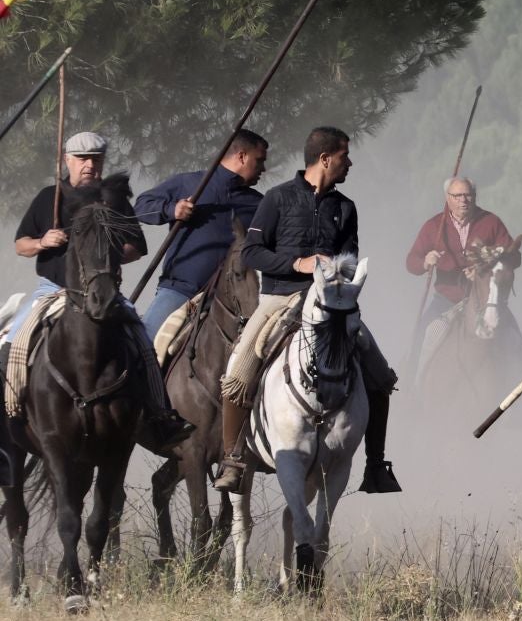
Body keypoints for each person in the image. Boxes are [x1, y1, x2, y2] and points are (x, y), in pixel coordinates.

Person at [211, 126, 400, 493]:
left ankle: (376, 465)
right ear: (325, 158)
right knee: (236, 373)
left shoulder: (345, 208)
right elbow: (252, 252)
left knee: (380, 375)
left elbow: (350, 258)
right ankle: (233, 459)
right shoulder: (277, 199)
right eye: (345, 156)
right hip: (279, 299)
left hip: (331, 304)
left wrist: (338, 272)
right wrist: (299, 264)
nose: (350, 164)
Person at [5, 131, 195, 452]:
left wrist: (105, 254)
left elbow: (137, 246)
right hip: (53, 291)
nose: (89, 165)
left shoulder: (115, 199)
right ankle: (10, 414)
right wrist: (43, 242)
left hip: (105, 290)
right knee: (12, 343)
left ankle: (160, 415)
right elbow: (21, 245)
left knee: (143, 343)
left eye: (96, 159)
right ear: (67, 160)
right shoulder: (50, 197)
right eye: (82, 159)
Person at [133, 130, 269, 339]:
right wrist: (172, 210)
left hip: (233, 302)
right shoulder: (189, 183)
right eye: (259, 161)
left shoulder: (258, 204)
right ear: (241, 156)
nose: (263, 169)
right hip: (180, 291)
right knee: (145, 347)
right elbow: (141, 206)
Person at [404, 176, 522, 369]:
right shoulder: (434, 226)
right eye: (457, 195)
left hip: (485, 300)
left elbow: (514, 257)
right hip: (446, 300)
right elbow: (411, 262)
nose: (463, 201)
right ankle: (413, 386)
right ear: (447, 197)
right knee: (424, 334)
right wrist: (426, 262)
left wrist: (484, 266)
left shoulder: (491, 222)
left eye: (468, 195)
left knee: (514, 338)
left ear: (475, 197)